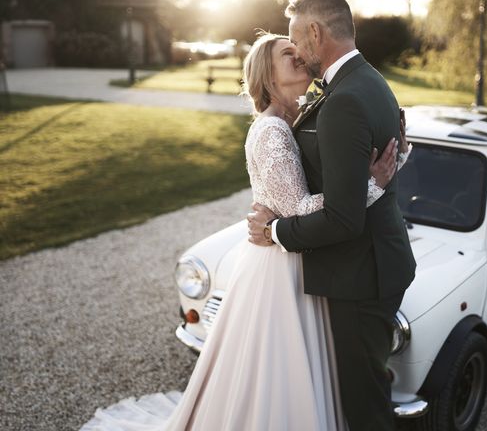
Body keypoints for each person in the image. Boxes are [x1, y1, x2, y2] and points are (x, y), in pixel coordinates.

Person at [81, 32, 409, 430]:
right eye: (287, 53)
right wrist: (371, 183)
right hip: (280, 268)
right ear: (267, 76)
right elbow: (301, 210)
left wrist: (393, 157)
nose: (299, 54)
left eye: (298, 48)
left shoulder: (299, 119)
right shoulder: (272, 131)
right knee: (279, 375)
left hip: (301, 258)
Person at [248, 0, 416, 430]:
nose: (300, 55)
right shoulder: (370, 81)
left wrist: (275, 232)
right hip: (370, 265)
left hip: (361, 274)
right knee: (360, 391)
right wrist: (386, 171)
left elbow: (343, 216)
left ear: (316, 32)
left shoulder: (343, 98)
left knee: (364, 407)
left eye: (296, 40)